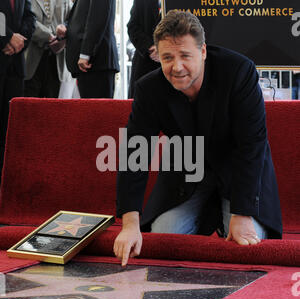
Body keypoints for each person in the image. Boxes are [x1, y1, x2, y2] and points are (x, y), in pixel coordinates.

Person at [113, 10, 282, 266]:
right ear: (157, 56)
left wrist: (242, 213)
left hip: (238, 172)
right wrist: (129, 224)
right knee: (162, 237)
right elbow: (134, 154)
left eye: (185, 56)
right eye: (167, 57)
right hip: (185, 172)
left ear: (202, 52)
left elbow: (252, 146)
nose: (176, 67)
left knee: (248, 243)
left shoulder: (239, 71)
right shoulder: (148, 89)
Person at [0, 0, 35, 184]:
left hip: (15, 67)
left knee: (11, 131)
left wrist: (19, 40)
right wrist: (7, 37)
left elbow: (30, 16)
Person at [56, 0, 119, 98]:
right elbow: (81, 17)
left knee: (98, 111)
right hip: (90, 64)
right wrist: (66, 26)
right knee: (90, 110)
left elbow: (98, 18)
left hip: (96, 62)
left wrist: (86, 54)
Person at [24, 0, 73, 98]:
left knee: (52, 107)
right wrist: (48, 36)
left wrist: (64, 30)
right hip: (31, 58)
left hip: (56, 61)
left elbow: (73, 19)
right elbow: (25, 19)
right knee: (29, 106)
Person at [127, 0, 162, 98]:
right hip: (144, 62)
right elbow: (132, 27)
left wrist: (164, 50)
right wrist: (150, 47)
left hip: (173, 65)